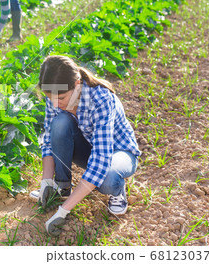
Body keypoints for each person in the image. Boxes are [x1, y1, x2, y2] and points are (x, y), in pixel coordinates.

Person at [32, 55, 141, 236]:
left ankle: (118, 191)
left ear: (76, 84)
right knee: (59, 124)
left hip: (119, 153)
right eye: (50, 98)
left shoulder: (101, 99)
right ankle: (61, 187)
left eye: (61, 98)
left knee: (108, 179)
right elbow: (50, 139)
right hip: (89, 148)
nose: (55, 104)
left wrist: (63, 211)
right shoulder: (56, 95)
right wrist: (46, 181)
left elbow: (100, 161)